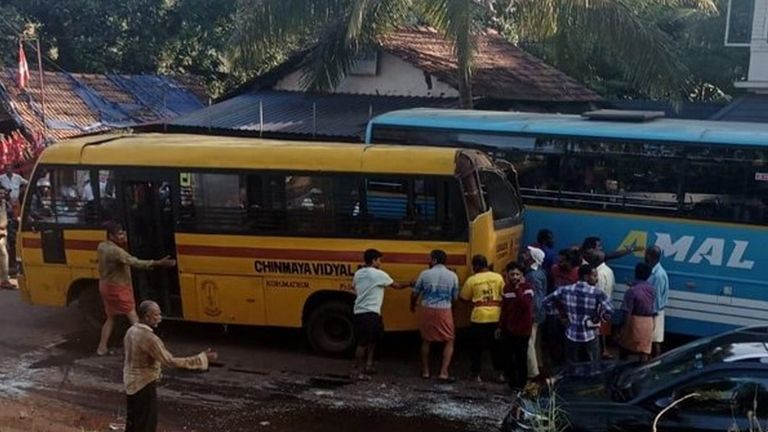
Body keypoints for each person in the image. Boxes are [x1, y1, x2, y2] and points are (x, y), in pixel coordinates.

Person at [124, 300, 218, 432]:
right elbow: (169, 361)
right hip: (143, 384)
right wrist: (201, 359)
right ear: (146, 317)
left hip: (130, 383)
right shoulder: (149, 338)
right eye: (156, 315)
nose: (160, 318)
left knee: (134, 422)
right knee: (146, 424)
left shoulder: (131, 331)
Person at [96, 222, 176, 356]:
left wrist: (124, 242)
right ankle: (149, 348)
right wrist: (158, 263)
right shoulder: (116, 251)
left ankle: (101, 348)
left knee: (110, 318)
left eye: (123, 233)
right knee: (135, 319)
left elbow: (123, 257)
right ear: (111, 235)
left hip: (105, 286)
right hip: (118, 288)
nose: (122, 236)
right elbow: (134, 262)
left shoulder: (102, 246)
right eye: (119, 234)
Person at [351, 248, 409, 380]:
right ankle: (356, 371)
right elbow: (397, 286)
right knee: (363, 343)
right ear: (373, 260)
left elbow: (354, 287)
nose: (380, 263)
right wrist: (411, 283)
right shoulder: (378, 274)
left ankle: (368, 365)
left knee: (372, 340)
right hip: (369, 313)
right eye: (379, 260)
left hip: (361, 311)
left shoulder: (358, 273)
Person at [542, 264, 613, 366]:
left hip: (571, 334)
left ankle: (574, 381)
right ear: (586, 277)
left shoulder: (565, 289)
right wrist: (599, 318)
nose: (596, 279)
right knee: (592, 364)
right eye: (594, 275)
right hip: (590, 335)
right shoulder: (597, 293)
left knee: (571, 365)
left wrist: (560, 316)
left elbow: (545, 302)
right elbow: (609, 310)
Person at [410, 249, 459, 381]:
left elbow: (415, 293)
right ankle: (443, 372)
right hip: (444, 310)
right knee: (449, 340)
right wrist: (452, 310)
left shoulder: (425, 274)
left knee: (426, 340)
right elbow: (455, 297)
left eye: (430, 258)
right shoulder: (452, 275)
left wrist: (412, 305)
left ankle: (425, 371)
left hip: (427, 309)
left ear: (434, 260)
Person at [460, 254, 505, 383]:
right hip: (496, 316)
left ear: (477, 266)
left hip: (479, 317)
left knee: (476, 348)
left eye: (473, 266)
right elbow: (504, 293)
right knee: (496, 347)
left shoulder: (472, 280)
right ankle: (499, 374)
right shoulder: (498, 277)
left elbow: (464, 298)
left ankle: (476, 374)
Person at [497, 262, 534, 391]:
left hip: (523, 329)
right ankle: (512, 384)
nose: (514, 277)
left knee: (521, 357)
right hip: (509, 328)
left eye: (517, 274)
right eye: (512, 274)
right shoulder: (506, 289)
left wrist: (518, 289)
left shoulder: (527, 288)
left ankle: (521, 384)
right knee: (508, 357)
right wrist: (500, 326)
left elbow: (525, 305)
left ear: (522, 275)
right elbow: (505, 309)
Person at [617, 263, 656, 361]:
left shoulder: (631, 291)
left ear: (635, 273)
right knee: (644, 352)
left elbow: (626, 313)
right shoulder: (652, 290)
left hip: (634, 323)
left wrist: (619, 329)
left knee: (624, 349)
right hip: (648, 323)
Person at [585, 249, 615, 360]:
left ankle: (599, 354)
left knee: (598, 333)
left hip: (599, 308)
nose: (589, 259)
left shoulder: (599, 273)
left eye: (591, 257)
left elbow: (598, 292)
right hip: (606, 305)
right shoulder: (608, 270)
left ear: (596, 259)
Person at [522, 246, 547, 380]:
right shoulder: (541, 272)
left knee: (529, 342)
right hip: (540, 312)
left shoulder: (532, 276)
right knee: (536, 341)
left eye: (527, 254)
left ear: (532, 258)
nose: (524, 255)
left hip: (534, 312)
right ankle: (539, 363)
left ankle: (533, 371)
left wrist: (531, 314)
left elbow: (536, 297)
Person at [645, 246, 669, 357]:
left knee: (654, 341)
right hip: (654, 311)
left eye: (646, 254)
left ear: (649, 256)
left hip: (655, 312)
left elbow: (656, 297)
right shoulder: (655, 272)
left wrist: (652, 315)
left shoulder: (658, 275)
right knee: (653, 340)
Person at [0, 190, 13, 290]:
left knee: (4, 256)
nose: (2, 196)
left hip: (4, 234)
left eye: (3, 194)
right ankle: (4, 280)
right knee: (3, 255)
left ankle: (4, 279)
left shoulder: (4, 205)